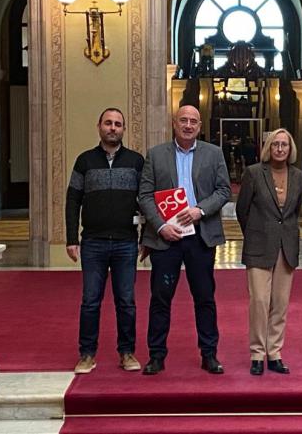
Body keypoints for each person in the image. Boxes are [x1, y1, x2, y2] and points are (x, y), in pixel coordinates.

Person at [138, 105, 231, 375]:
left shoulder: (214, 154)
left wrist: (200, 210)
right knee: (160, 298)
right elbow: (144, 195)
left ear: (200, 126)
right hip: (166, 237)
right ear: (174, 124)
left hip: (200, 237)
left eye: (193, 121)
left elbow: (224, 189)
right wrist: (160, 226)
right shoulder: (156, 155)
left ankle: (209, 354)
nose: (188, 125)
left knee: (204, 297)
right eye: (183, 121)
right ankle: (156, 355)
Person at [65, 107, 144, 374]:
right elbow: (72, 200)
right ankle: (87, 354)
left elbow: (145, 201)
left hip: (126, 243)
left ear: (123, 129)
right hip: (93, 243)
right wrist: (70, 238)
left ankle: (127, 352)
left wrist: (146, 239)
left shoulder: (136, 161)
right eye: (108, 123)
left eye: (118, 124)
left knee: (126, 301)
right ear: (99, 126)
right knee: (90, 301)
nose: (113, 128)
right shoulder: (84, 161)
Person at [236, 129, 302, 376]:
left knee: (280, 303)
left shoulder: (298, 175)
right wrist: (255, 233)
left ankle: (274, 352)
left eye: (284, 144)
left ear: (290, 148)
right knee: (260, 301)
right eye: (275, 144)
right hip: (258, 245)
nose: (279, 149)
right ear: (268, 147)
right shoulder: (254, 173)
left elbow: (295, 211)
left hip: (286, 247)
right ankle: (257, 353)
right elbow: (242, 209)